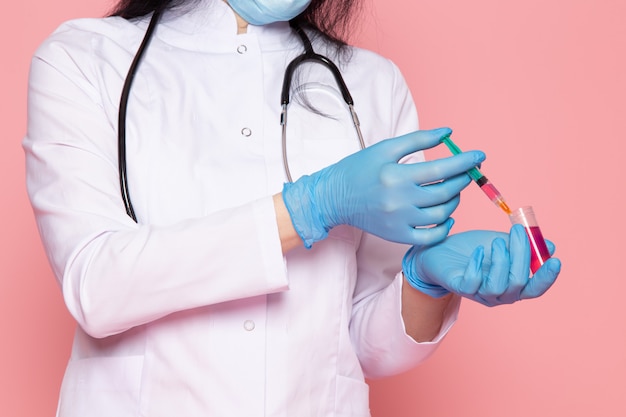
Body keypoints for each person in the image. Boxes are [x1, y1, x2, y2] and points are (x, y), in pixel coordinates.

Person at [23, 0, 561, 415]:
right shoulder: (86, 59)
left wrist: (422, 284)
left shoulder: (370, 81)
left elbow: (361, 347)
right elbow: (95, 284)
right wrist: (307, 208)